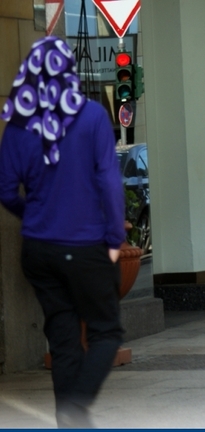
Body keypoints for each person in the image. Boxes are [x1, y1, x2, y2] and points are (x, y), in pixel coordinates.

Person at [0, 36, 125, 428]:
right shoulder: (90, 117)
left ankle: (70, 425)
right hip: (85, 245)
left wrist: (34, 214)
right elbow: (108, 178)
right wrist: (114, 237)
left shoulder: (18, 126)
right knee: (106, 333)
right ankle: (77, 408)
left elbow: (5, 189)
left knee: (64, 340)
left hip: (39, 250)